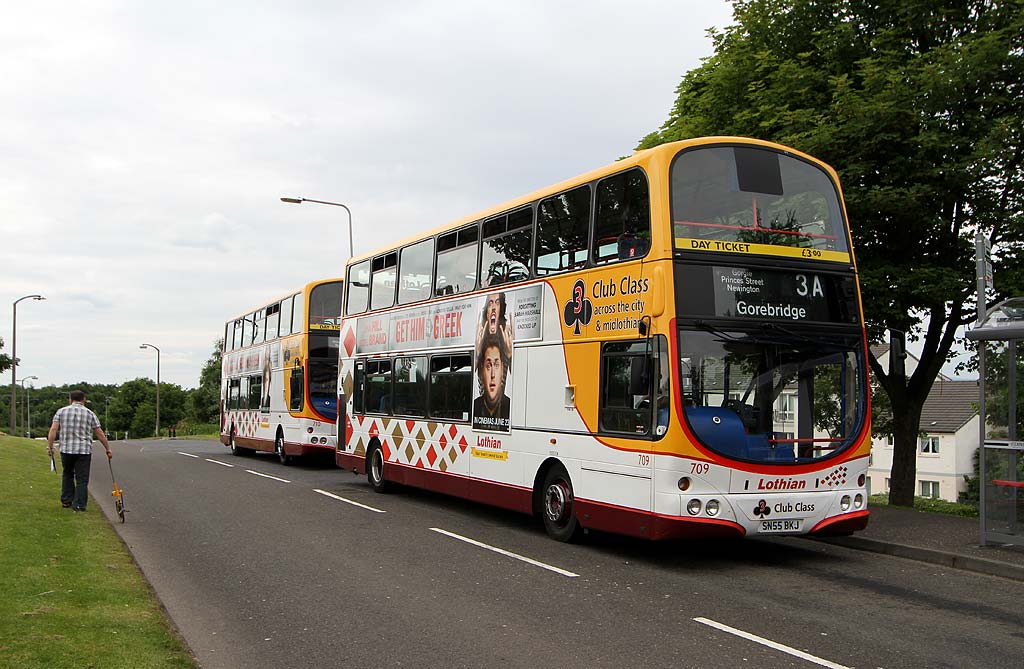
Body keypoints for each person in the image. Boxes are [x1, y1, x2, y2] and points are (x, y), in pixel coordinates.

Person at [46, 390, 112, 512]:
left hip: (66, 449)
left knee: (68, 474)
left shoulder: (61, 412)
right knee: (82, 478)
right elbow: (99, 433)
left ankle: (67, 500)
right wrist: (107, 448)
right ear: (84, 399)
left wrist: (50, 447)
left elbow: (53, 430)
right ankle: (79, 504)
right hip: (83, 450)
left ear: (70, 399)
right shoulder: (90, 413)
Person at [472, 331, 511, 431]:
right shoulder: (474, 406)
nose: (493, 374)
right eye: (488, 366)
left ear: (503, 369)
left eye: (497, 365)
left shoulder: (510, 407)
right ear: (481, 372)